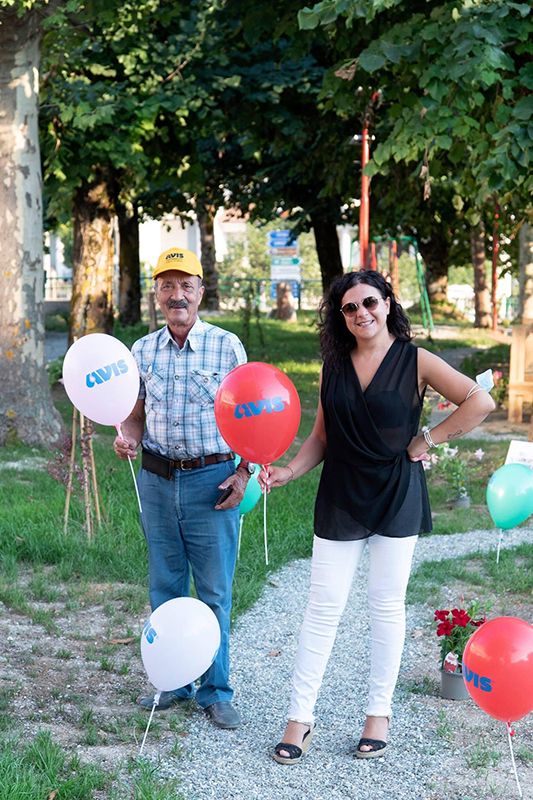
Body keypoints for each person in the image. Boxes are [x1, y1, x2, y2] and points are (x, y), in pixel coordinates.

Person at [260, 270, 494, 763]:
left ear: (387, 303)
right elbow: (322, 436)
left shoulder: (416, 360)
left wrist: (427, 438)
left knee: (386, 606)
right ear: (340, 317)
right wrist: (291, 471)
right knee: (322, 607)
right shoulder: (333, 365)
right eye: (349, 308)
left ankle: (378, 714)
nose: (361, 313)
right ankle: (299, 719)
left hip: (396, 490)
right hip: (341, 492)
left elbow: (480, 401)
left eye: (369, 302)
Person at [114, 247, 254, 730]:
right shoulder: (142, 350)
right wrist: (127, 436)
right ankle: (172, 682)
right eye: (167, 285)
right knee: (166, 589)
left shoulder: (226, 347)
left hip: (211, 483)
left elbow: (254, 415)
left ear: (200, 291)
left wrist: (244, 473)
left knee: (214, 592)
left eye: (186, 285)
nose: (177, 295)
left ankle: (215, 691)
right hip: (155, 480)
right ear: (156, 293)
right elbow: (134, 412)